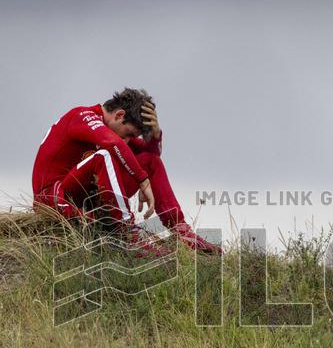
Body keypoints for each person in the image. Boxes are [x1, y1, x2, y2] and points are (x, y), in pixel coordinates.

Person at [32, 88, 220, 254]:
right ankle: (127, 235)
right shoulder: (82, 116)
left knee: (150, 161)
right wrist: (142, 181)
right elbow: (113, 144)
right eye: (129, 133)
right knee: (105, 155)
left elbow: (150, 158)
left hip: (84, 200)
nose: (129, 140)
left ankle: (183, 233)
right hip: (54, 199)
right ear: (119, 115)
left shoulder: (114, 129)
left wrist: (155, 137)